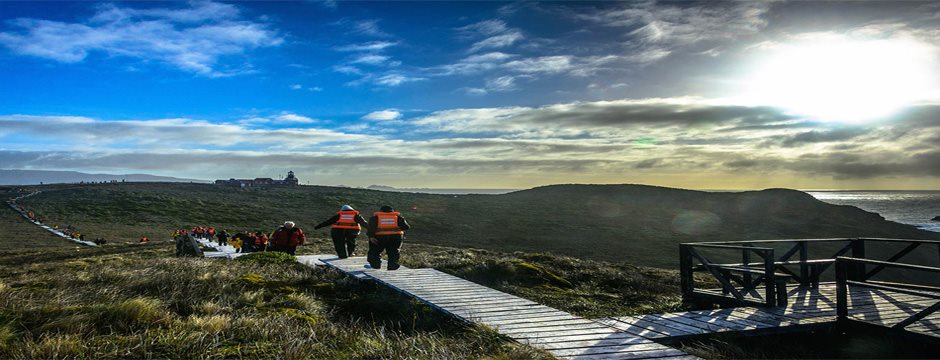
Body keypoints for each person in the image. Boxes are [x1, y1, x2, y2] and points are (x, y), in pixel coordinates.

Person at [366, 205, 410, 270]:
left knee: (374, 253)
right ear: (392, 211)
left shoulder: (375, 218)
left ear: (381, 211)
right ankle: (392, 268)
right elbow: (406, 227)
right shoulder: (398, 218)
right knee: (393, 253)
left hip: (379, 238)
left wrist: (371, 237)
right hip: (395, 238)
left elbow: (370, 229)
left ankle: (375, 267)